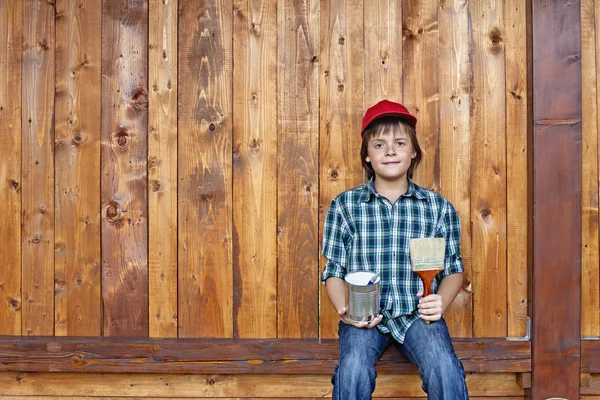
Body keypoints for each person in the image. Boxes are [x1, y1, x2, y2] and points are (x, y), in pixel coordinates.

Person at [321, 100, 469, 399]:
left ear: (413, 151)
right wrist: (344, 311)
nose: (390, 151)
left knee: (445, 369)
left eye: (400, 143)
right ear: (367, 156)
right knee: (352, 371)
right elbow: (334, 271)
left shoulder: (437, 209)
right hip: (365, 318)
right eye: (379, 144)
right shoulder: (346, 206)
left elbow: (453, 271)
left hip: (417, 316)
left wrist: (439, 301)